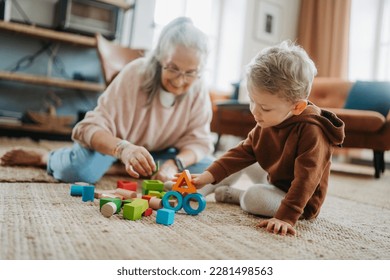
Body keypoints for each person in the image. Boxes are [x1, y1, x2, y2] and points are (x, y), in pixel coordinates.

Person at [0, 17, 214, 184]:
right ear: (159, 58)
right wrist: (124, 150)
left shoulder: (197, 90)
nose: (179, 80)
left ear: (201, 71)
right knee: (77, 171)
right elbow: (87, 128)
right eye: (173, 68)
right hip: (115, 147)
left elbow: (199, 143)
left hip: (159, 155)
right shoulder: (135, 74)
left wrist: (174, 164)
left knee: (214, 170)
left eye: (190, 73)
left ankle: (125, 168)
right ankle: (46, 158)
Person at [191, 40, 345, 236]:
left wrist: (286, 217)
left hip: (300, 202)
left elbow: (306, 179)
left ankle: (238, 196)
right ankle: (201, 189)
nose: (255, 112)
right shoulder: (269, 119)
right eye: (252, 101)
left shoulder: (313, 131)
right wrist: (208, 175)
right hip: (275, 179)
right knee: (240, 159)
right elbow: (243, 152)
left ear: (297, 107)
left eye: (264, 107)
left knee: (254, 196)